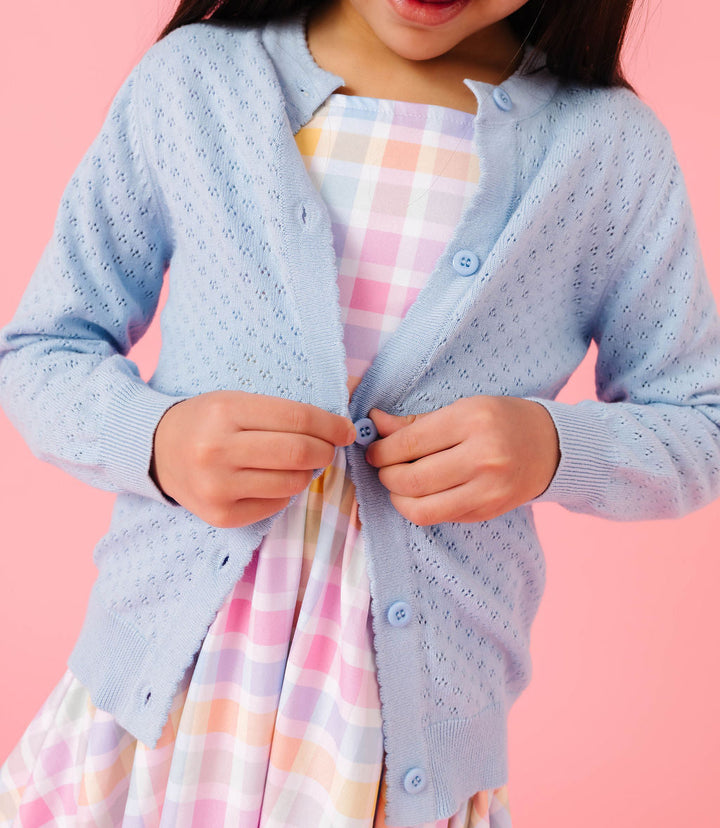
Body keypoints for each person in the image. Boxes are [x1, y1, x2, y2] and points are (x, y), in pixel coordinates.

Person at [1, 0, 719, 825]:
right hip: (154, 711)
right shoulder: (196, 83)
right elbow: (44, 348)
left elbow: (702, 422)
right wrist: (157, 442)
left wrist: (551, 449)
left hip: (391, 756)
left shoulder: (606, 151)